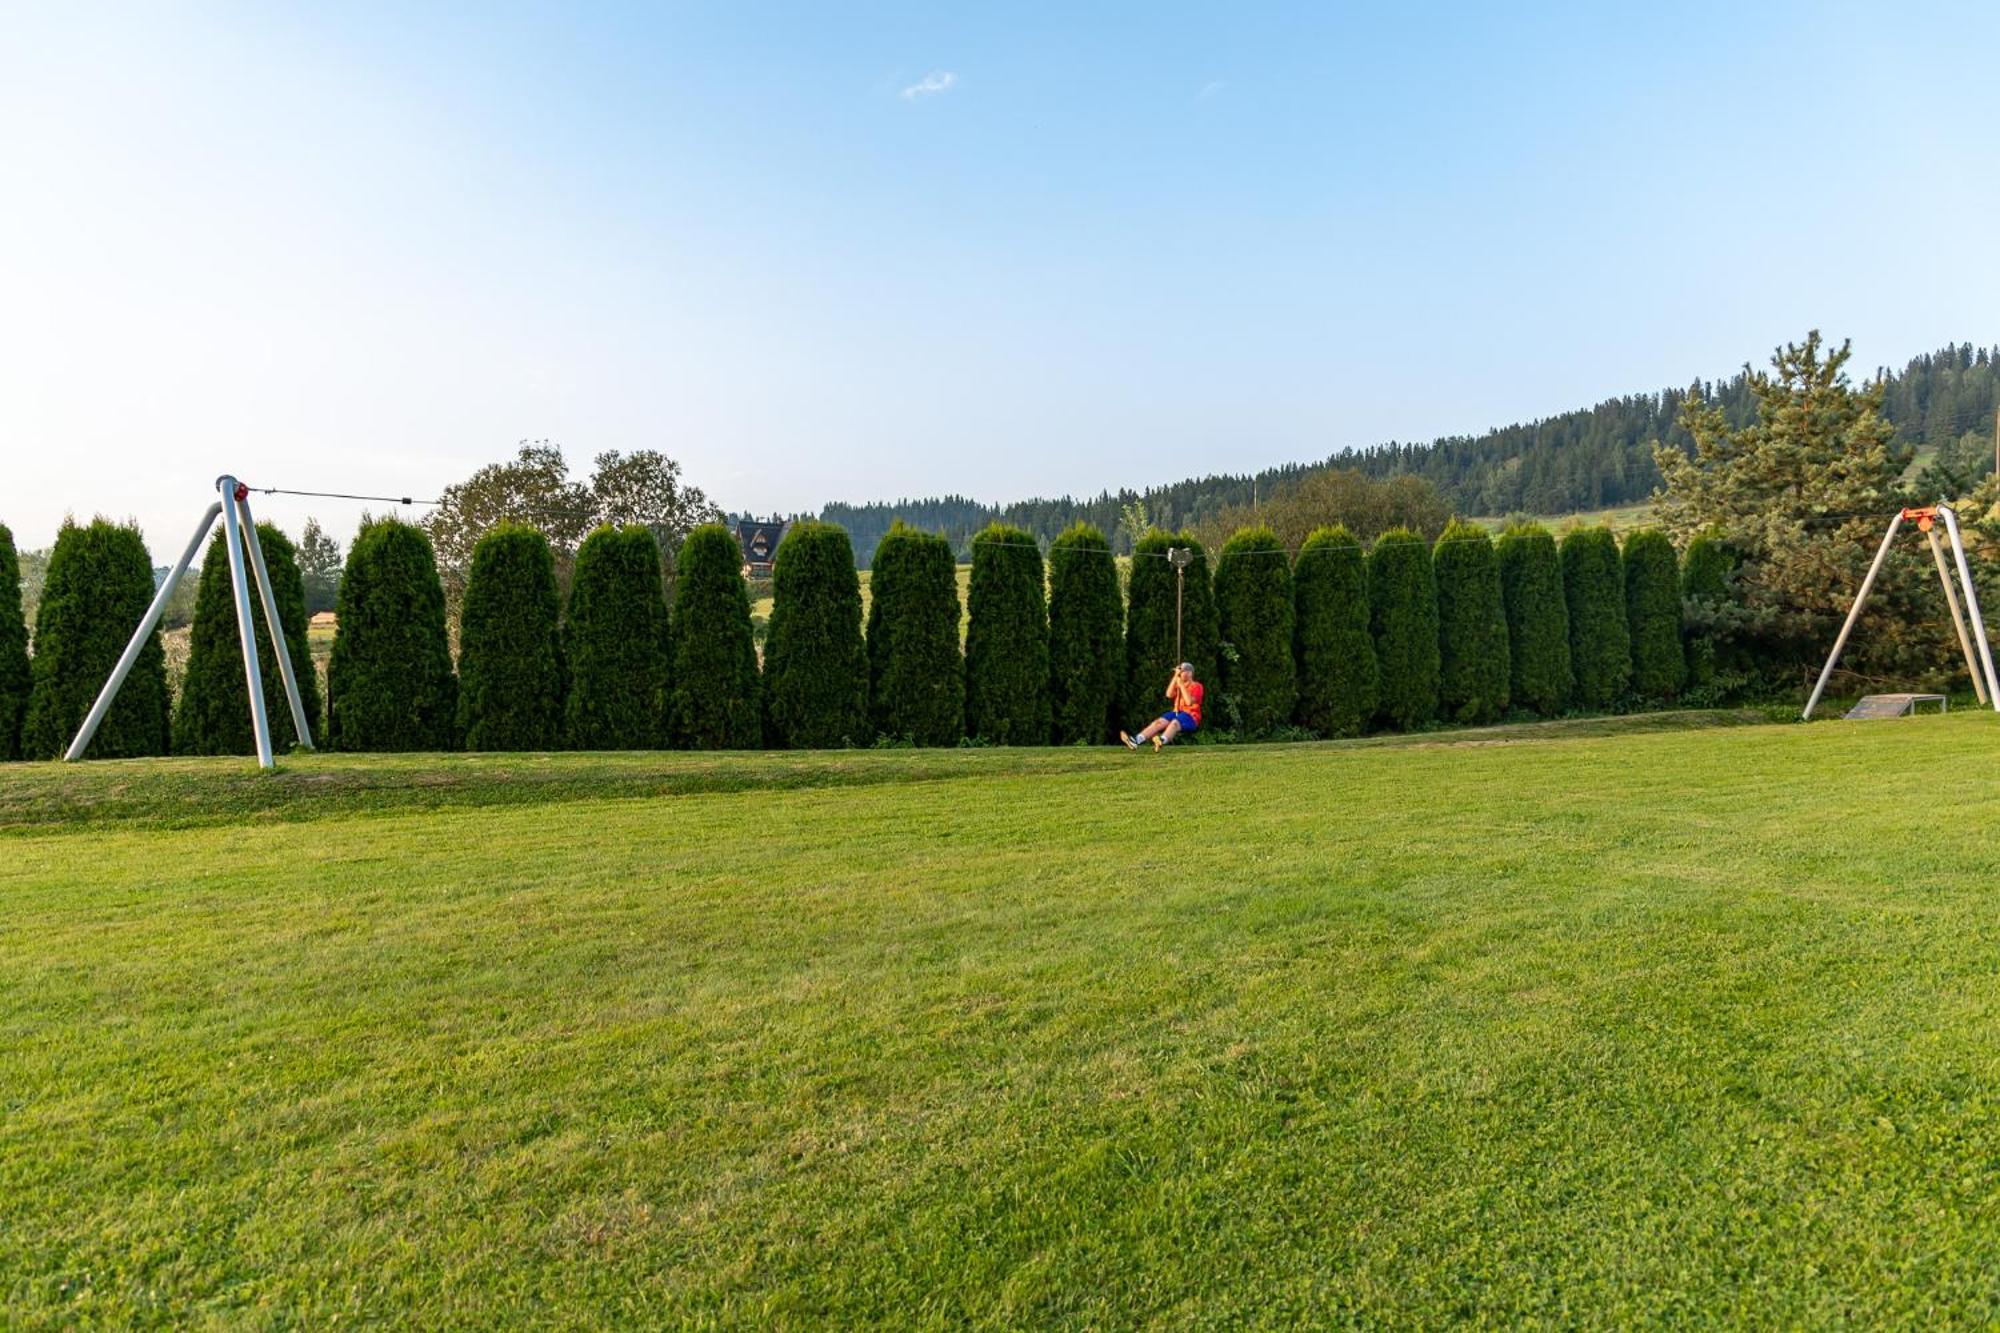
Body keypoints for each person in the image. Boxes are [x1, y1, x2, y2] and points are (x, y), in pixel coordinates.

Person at [1122, 663, 1203, 752]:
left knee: (1175, 723)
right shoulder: (1179, 684)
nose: (1180, 673)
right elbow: (1168, 694)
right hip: (1177, 712)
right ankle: (1136, 740)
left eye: (1182, 671)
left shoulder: (1197, 686)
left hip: (1191, 716)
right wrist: (1175, 677)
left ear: (1190, 673)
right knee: (1159, 722)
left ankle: (1161, 740)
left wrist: (1181, 685)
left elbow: (1189, 702)